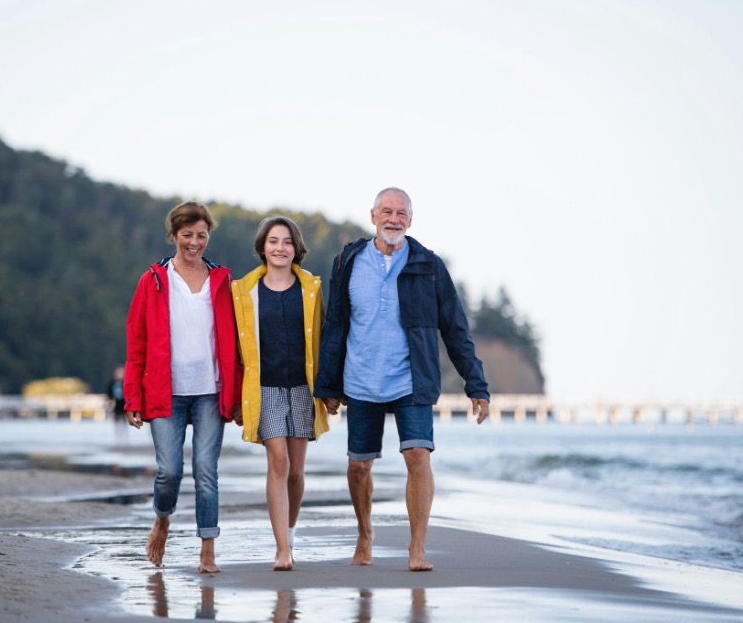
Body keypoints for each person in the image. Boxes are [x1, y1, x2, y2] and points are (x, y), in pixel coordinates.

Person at [314, 187, 490, 572]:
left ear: (411, 220)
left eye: (401, 213)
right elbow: (335, 324)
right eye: (386, 211)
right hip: (360, 380)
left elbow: (455, 328)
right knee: (359, 466)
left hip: (411, 380)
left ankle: (417, 547)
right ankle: (365, 534)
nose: (393, 219)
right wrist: (327, 384)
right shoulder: (348, 260)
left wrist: (475, 384)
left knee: (417, 456)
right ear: (373, 215)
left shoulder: (428, 265)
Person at [123, 201, 242, 573]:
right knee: (169, 471)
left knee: (206, 469)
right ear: (173, 235)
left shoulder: (224, 281)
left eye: (201, 235)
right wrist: (132, 396)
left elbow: (239, 343)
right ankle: (162, 519)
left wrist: (237, 396)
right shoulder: (153, 280)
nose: (194, 242)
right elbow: (136, 340)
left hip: (211, 390)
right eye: (187, 235)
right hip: (164, 391)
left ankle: (207, 549)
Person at [232, 216, 329, 570]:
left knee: (296, 472)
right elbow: (234, 349)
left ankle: (289, 534)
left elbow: (322, 340)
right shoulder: (244, 292)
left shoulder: (312, 289)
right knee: (279, 462)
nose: (280, 248)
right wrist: (235, 398)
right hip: (265, 388)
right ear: (262, 247)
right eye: (273, 241)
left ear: (295, 248)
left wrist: (330, 387)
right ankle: (281, 550)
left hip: (303, 388)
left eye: (287, 241)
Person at [106, 366, 127, 443]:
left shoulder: (126, 383)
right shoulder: (112, 383)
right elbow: (109, 396)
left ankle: (124, 439)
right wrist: (109, 407)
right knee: (117, 423)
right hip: (116, 406)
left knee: (124, 423)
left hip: (124, 406)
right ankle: (118, 439)